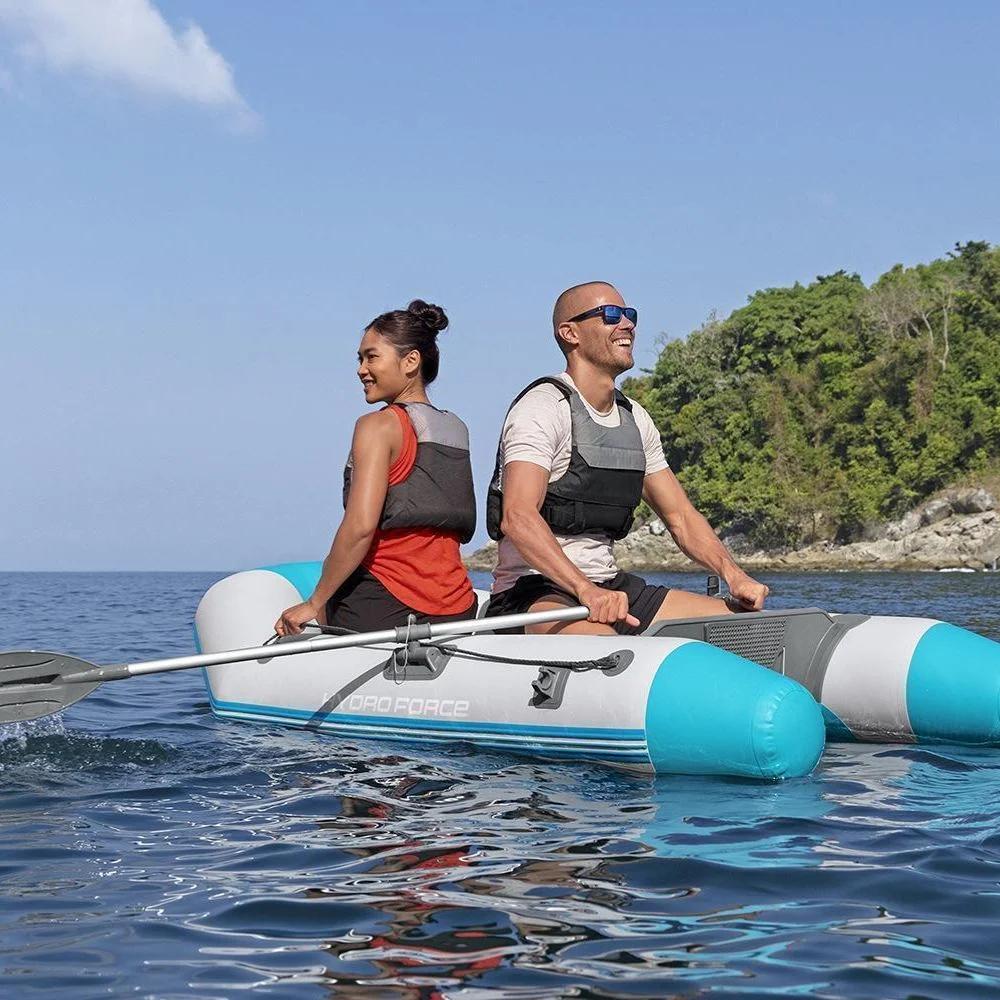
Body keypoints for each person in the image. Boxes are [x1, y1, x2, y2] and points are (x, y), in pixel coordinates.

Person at [484, 281, 769, 635]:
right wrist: (583, 589)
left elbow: (680, 516)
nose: (628, 325)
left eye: (630, 315)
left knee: (751, 630)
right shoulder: (542, 408)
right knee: (609, 652)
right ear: (570, 333)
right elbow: (518, 516)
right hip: (534, 593)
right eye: (611, 315)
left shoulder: (635, 418)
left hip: (609, 585)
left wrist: (733, 574)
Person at [275, 300, 477, 637]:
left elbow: (359, 528)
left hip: (384, 604)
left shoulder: (377, 426)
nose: (361, 369)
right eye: (360, 358)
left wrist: (314, 602)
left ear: (411, 361)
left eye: (372, 357)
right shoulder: (456, 429)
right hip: (457, 607)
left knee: (316, 611)